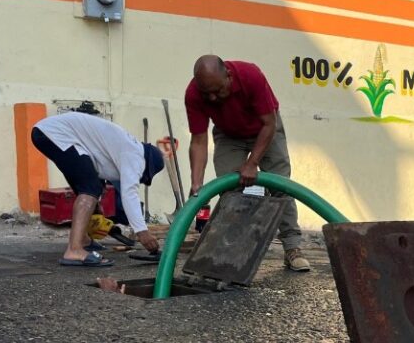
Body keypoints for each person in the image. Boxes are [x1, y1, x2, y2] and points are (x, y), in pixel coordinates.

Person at [184, 55, 311, 272]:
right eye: (208, 94)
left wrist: (253, 163)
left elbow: (269, 124)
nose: (213, 98)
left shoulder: (251, 76)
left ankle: (292, 247)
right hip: (228, 133)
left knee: (280, 186)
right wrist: (196, 183)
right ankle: (231, 250)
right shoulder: (194, 94)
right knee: (229, 189)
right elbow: (198, 140)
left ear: (229, 77)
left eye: (218, 90)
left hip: (265, 129)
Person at [31, 102, 165, 266]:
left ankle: (84, 240)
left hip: (49, 132)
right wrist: (142, 231)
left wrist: (100, 209)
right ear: (147, 166)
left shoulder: (121, 153)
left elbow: (118, 190)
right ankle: (74, 250)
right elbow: (129, 193)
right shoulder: (135, 154)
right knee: (90, 188)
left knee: (91, 188)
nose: (139, 179)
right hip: (55, 133)